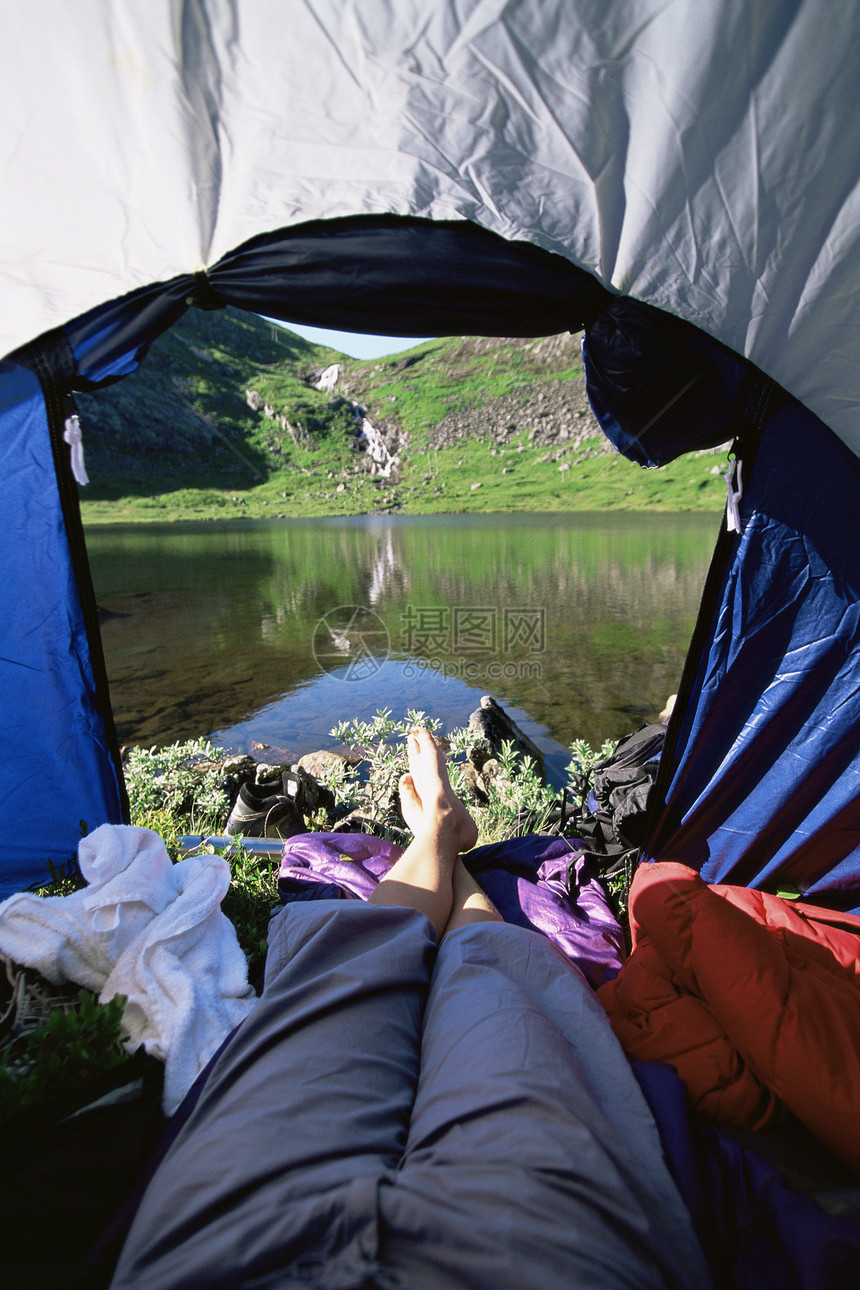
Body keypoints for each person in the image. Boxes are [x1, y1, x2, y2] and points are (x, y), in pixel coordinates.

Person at [109, 730, 711, 1290]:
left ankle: (440, 839)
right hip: (537, 1250)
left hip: (230, 1255)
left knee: (341, 970)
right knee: (498, 977)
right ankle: (447, 844)